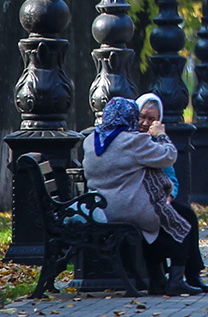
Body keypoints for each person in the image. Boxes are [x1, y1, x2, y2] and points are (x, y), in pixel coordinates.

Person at [79, 97, 193, 295]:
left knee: (160, 221)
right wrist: (162, 135)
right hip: (129, 208)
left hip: (99, 210)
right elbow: (169, 155)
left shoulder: (90, 141)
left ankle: (157, 280)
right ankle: (175, 280)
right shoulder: (133, 141)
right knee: (178, 221)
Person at [133, 93, 208, 292]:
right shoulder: (133, 141)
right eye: (142, 117)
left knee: (185, 213)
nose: (145, 122)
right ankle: (170, 278)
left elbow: (172, 178)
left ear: (159, 121)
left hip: (157, 199)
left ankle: (191, 275)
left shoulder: (159, 143)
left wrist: (170, 196)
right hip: (138, 201)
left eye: (151, 119)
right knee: (181, 217)